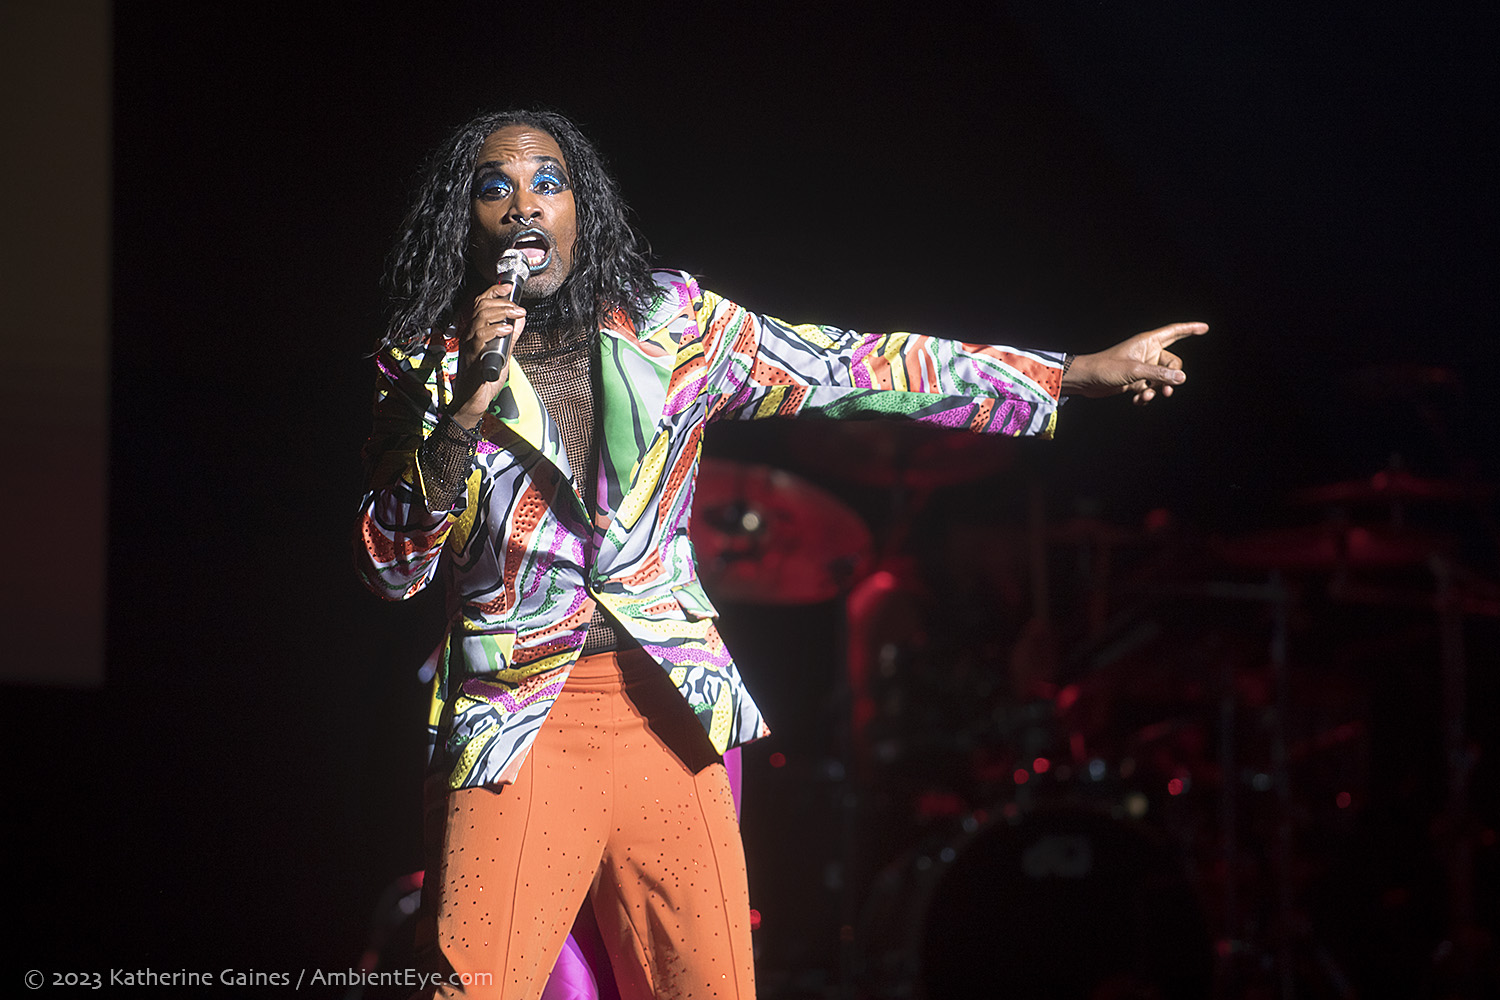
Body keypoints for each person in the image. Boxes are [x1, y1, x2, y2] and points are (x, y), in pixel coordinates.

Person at [354, 108, 1205, 1000]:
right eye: (497, 188)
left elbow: (854, 364)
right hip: (520, 721)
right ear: (469, 220)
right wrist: (462, 409)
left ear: (581, 208)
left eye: (548, 182)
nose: (525, 205)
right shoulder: (421, 369)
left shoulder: (672, 325)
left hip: (668, 718)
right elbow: (389, 565)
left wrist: (1071, 372)